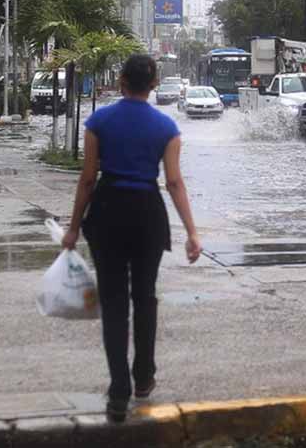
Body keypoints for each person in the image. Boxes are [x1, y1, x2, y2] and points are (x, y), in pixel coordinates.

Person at [61, 54, 201, 423]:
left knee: (113, 301)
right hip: (147, 214)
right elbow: (173, 182)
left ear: (122, 80)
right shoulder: (166, 127)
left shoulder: (98, 121)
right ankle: (144, 377)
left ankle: (118, 389)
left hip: (107, 212)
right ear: (154, 82)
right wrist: (191, 232)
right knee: (145, 296)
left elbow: (88, 178)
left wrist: (74, 227)